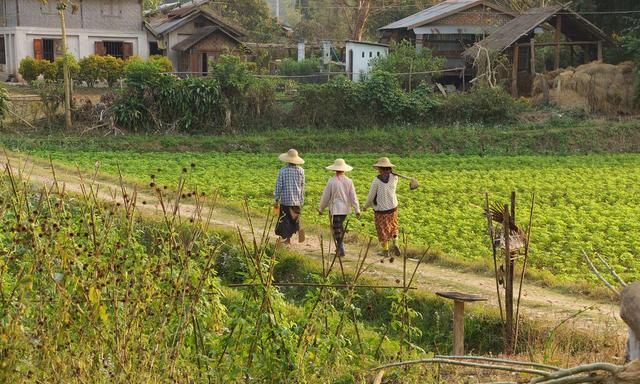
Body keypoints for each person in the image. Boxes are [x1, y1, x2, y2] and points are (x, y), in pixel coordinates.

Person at [318, 159, 360, 257]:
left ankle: (341, 249)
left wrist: (321, 208)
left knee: (337, 229)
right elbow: (353, 196)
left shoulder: (331, 181)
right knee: (339, 228)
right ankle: (339, 248)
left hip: (335, 209)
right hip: (345, 210)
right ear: (344, 170)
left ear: (335, 170)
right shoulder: (349, 181)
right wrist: (357, 209)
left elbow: (326, 196)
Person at [364, 157, 401, 257]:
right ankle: (396, 243)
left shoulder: (376, 181)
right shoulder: (395, 178)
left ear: (380, 168)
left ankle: (386, 251)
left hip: (381, 209)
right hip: (393, 207)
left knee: (382, 229)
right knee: (393, 226)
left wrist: (366, 206)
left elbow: (371, 196)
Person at [274, 148, 305, 244]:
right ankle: (299, 227)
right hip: (296, 200)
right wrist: (301, 200)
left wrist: (276, 199)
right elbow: (302, 186)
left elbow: (279, 185)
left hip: (285, 201)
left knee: (285, 221)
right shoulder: (301, 171)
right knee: (295, 218)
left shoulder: (283, 171)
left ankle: (287, 240)